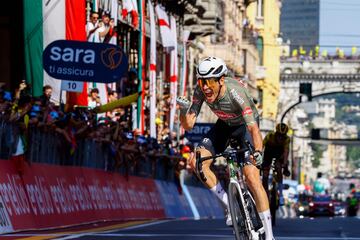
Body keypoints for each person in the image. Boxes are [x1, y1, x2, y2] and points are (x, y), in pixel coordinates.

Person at [177, 57, 274, 240]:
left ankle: (269, 235)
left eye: (210, 81)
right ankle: (228, 203)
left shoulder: (236, 93)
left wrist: (258, 152)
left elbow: (254, 129)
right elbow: (189, 125)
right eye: (201, 81)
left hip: (245, 127)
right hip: (224, 125)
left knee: (252, 177)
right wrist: (183, 111)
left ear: (221, 80)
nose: (205, 87)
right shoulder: (201, 91)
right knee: (198, 161)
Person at [262, 123, 291, 205]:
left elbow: (286, 152)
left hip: (279, 155)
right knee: (265, 173)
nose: (280, 137)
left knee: (279, 168)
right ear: (276, 133)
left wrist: (285, 164)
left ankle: (281, 194)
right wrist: (259, 157)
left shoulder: (287, 139)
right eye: (279, 135)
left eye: (283, 136)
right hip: (268, 153)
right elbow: (261, 146)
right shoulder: (269, 136)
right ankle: (265, 192)